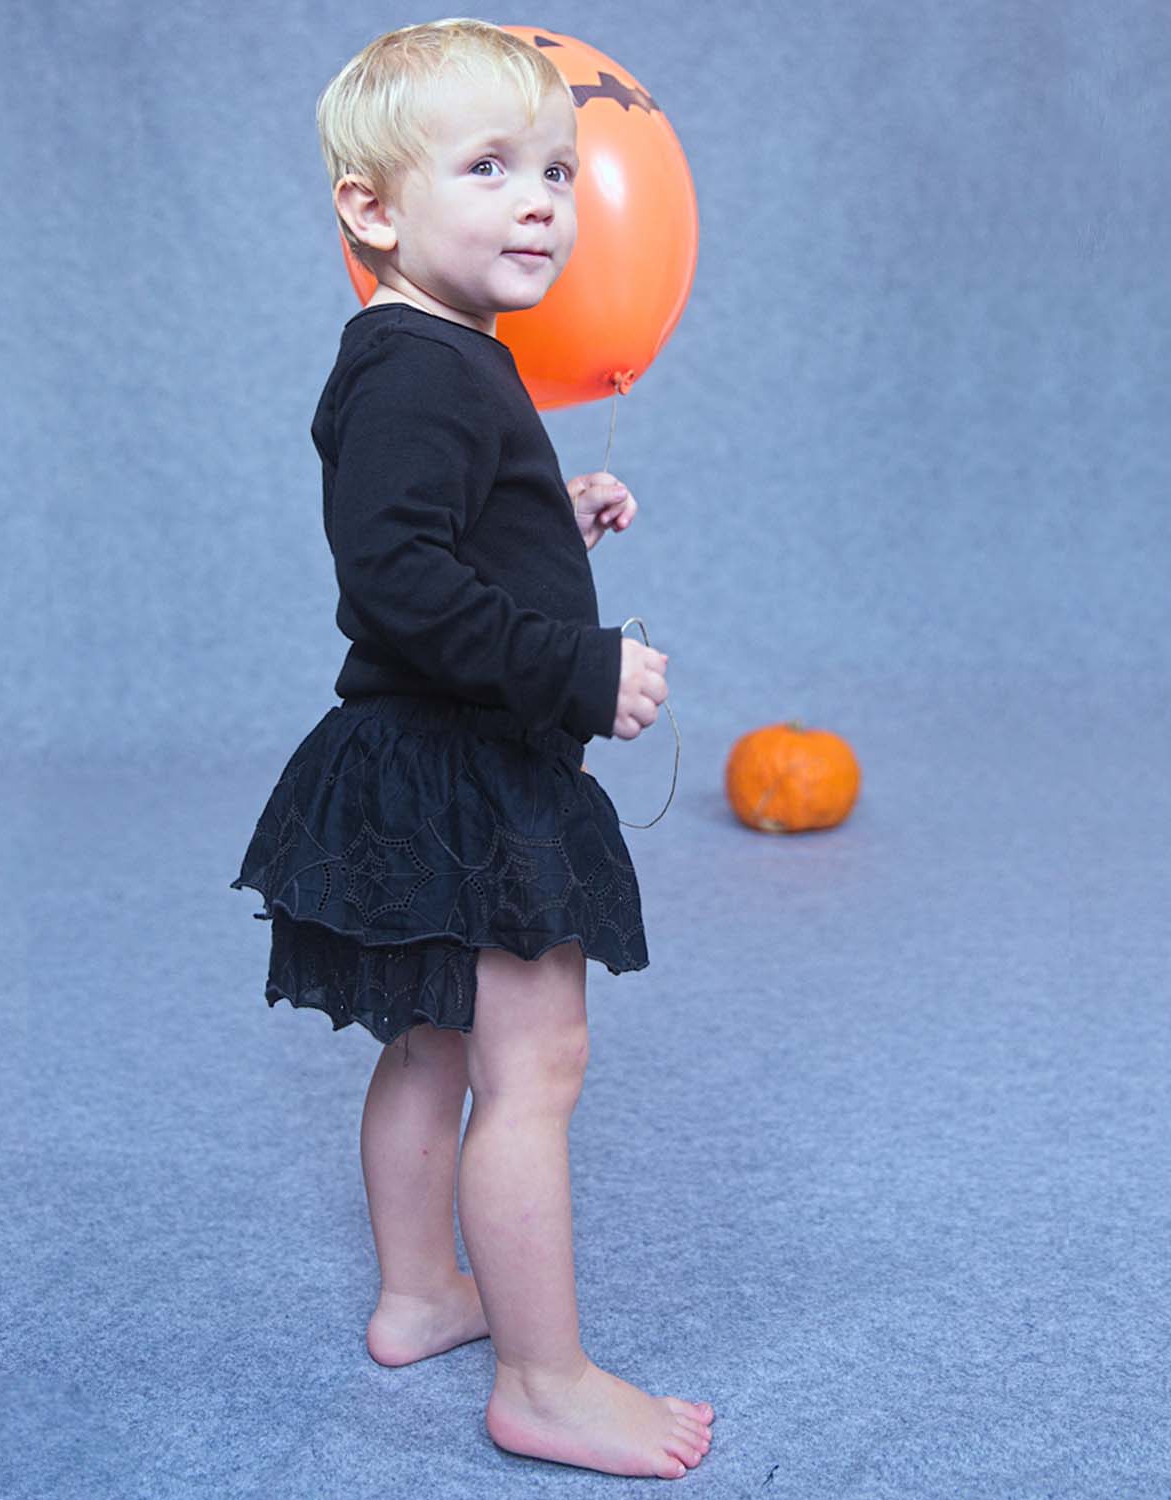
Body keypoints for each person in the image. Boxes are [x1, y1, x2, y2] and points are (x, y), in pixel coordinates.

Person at [228, 17, 713, 1481]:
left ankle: (420, 1294)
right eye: (492, 167)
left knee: (434, 1046)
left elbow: (437, 540)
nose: (543, 202)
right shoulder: (423, 369)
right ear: (372, 209)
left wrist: (546, 525)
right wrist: (577, 666)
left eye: (559, 170)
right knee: (538, 1063)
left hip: (413, 759)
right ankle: (545, 1382)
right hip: (463, 767)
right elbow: (392, 583)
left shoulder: (432, 356)